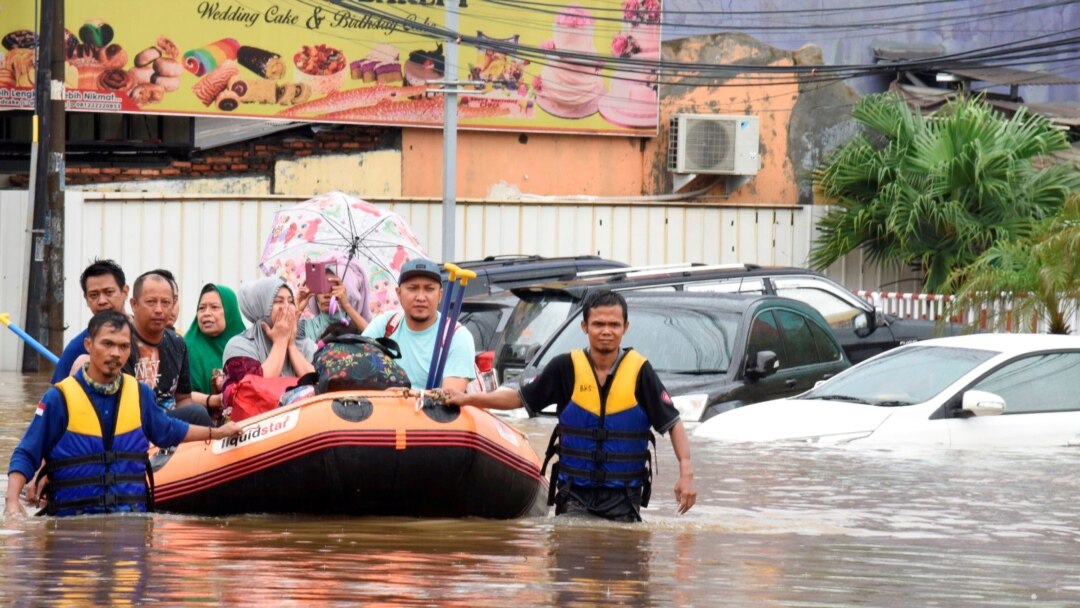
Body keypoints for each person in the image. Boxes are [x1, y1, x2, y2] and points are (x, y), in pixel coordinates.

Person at [444, 290, 696, 522]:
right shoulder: (564, 367)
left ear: (625, 328)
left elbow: (673, 423)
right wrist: (467, 398)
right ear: (584, 326)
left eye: (614, 325)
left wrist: (686, 473)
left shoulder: (641, 372)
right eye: (598, 324)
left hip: (624, 499)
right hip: (573, 494)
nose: (606, 331)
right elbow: (519, 398)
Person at [5, 310, 242, 518]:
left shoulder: (140, 394)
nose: (116, 353)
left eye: (123, 346)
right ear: (89, 345)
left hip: (130, 520)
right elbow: (27, 452)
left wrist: (217, 432)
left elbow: (168, 430)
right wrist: (12, 502)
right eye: (107, 344)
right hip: (72, 522)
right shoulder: (58, 398)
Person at [361, 259, 475, 391]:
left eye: (429, 289)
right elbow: (356, 365)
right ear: (398, 293)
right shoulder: (385, 324)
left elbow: (450, 397)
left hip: (431, 411)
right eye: (413, 288)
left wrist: (405, 396)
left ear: (440, 295)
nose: (421, 297)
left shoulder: (456, 335)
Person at [123, 270, 210, 426]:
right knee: (198, 414)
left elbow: (183, 398)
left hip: (169, 423)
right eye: (151, 302)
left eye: (166, 303)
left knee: (197, 414)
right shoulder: (121, 343)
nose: (159, 310)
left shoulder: (178, 343)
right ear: (134, 304)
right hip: (134, 423)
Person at [222, 277, 316, 382]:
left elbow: (321, 384)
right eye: (279, 301)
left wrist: (291, 345)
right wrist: (280, 343)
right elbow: (254, 388)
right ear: (261, 308)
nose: (287, 307)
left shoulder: (306, 345)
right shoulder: (239, 346)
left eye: (290, 301)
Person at [51, 259, 130, 383]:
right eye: (94, 295)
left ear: (125, 292)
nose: (102, 301)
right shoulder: (77, 349)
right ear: (87, 299)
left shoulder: (147, 333)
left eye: (109, 292)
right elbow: (56, 397)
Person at [185, 284, 245, 414]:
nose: (206, 313)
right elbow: (180, 397)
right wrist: (214, 400)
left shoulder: (246, 345)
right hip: (202, 423)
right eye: (201, 308)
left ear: (230, 311)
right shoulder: (187, 347)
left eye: (214, 307)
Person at [297, 255, 372, 340]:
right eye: (322, 289)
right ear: (316, 296)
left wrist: (347, 305)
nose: (327, 295)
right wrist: (298, 308)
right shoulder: (305, 327)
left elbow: (373, 339)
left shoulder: (355, 325)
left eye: (332, 288)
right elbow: (283, 338)